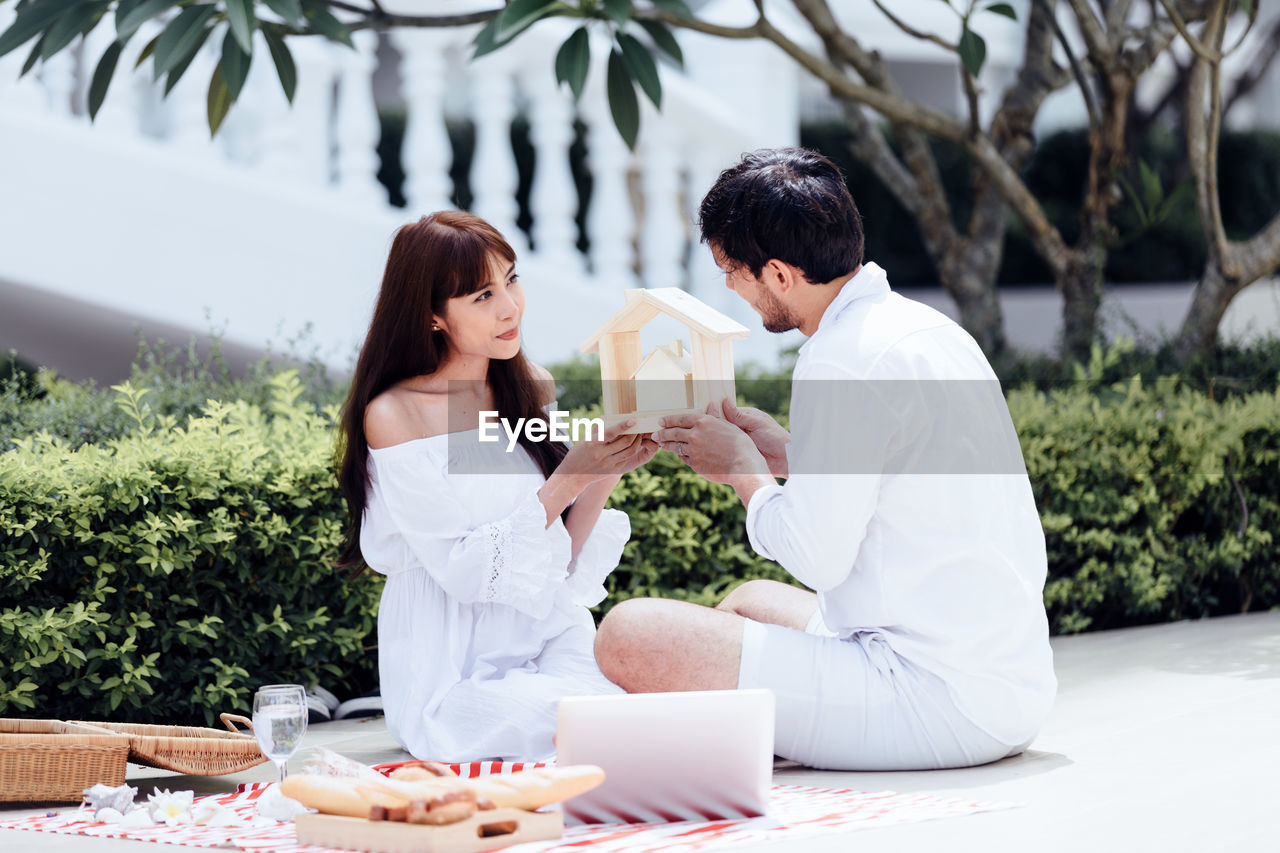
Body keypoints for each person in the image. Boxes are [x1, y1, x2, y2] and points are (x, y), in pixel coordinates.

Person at [593, 148, 1057, 771]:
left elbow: (819, 558)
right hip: (1006, 688)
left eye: (734, 271)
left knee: (629, 632)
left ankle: (730, 750)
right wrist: (789, 453)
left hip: (929, 699)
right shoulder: (924, 328)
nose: (730, 286)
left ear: (780, 275)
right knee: (750, 601)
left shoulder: (838, 358)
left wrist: (742, 472)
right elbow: (896, 473)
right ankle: (764, 735)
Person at [337, 211, 657, 762]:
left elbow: (559, 559)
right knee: (580, 724)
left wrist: (607, 468)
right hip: (450, 671)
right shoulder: (396, 414)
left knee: (637, 702)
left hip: (546, 635)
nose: (510, 307)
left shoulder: (530, 386)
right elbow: (463, 571)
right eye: (482, 296)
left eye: (511, 279)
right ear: (433, 315)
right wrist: (571, 474)